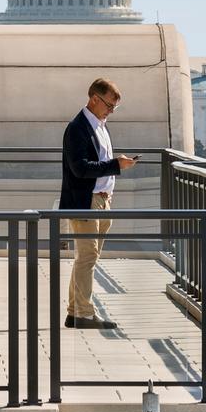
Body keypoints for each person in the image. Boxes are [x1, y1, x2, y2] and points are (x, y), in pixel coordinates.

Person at [59, 76, 136, 329]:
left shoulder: (101, 126)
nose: (111, 111)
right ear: (94, 99)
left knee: (87, 258)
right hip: (85, 201)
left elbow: (98, 162)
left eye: (115, 107)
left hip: (102, 200)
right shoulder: (77, 128)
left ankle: (75, 312)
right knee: (87, 257)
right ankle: (84, 314)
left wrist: (112, 175)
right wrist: (116, 165)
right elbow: (80, 168)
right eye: (109, 105)